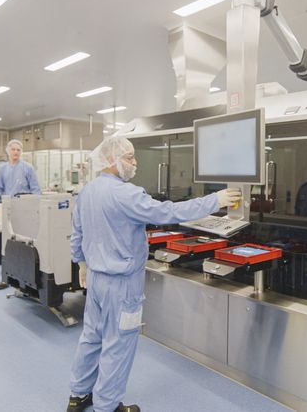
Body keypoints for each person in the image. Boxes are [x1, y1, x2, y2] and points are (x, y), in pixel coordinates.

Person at [66, 137, 241, 412]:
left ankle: (78, 396)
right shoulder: (126, 194)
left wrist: (81, 264)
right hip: (122, 284)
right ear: (112, 160)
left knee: (92, 336)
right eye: (129, 157)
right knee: (118, 343)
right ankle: (106, 406)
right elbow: (168, 212)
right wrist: (214, 200)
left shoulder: (87, 192)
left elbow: (77, 232)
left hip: (97, 280)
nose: (134, 162)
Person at [0, 139, 41, 289]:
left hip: (26, 210)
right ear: (7, 151)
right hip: (9, 211)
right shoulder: (2, 169)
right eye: (13, 149)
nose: (16, 152)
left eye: (18, 150)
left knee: (25, 243)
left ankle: (27, 277)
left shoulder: (27, 168)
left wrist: (37, 210)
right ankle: (6, 277)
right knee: (7, 242)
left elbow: (36, 190)